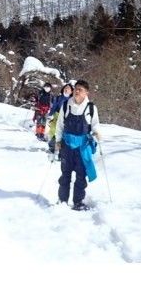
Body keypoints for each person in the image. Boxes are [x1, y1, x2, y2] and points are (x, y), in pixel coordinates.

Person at [55, 79, 100, 210]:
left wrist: (97, 132)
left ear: (86, 93)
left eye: (80, 89)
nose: (77, 91)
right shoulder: (66, 105)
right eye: (76, 89)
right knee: (65, 175)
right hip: (67, 146)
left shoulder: (91, 108)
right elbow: (60, 125)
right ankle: (62, 200)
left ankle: (78, 202)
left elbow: (95, 124)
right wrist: (58, 140)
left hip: (82, 147)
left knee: (81, 176)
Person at [46, 82, 73, 153]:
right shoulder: (58, 98)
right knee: (53, 130)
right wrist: (50, 114)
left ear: (71, 91)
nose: (66, 89)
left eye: (68, 88)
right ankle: (52, 146)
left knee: (64, 133)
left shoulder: (72, 100)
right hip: (57, 116)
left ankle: (62, 150)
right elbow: (54, 107)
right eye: (65, 88)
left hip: (67, 118)